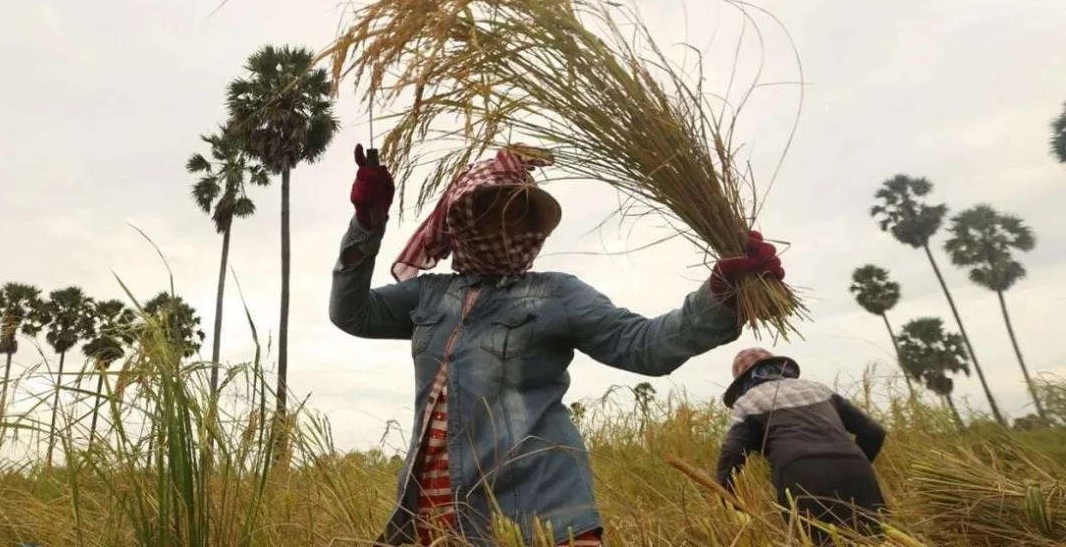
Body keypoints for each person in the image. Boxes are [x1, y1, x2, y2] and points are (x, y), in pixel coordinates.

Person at [330, 143, 785, 546]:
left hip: (541, 514)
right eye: (489, 209)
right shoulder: (429, 295)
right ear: (462, 219)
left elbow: (646, 346)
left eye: (516, 211)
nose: (505, 224)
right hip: (436, 511)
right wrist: (367, 225)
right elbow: (351, 313)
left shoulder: (556, 294)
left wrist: (720, 297)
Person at [716, 348, 887, 543]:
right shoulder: (818, 389)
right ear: (781, 367)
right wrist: (851, 464)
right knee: (873, 539)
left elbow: (732, 452)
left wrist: (726, 497)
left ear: (742, 381)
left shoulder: (749, 401)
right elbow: (874, 432)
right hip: (856, 471)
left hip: (802, 477)